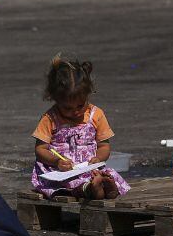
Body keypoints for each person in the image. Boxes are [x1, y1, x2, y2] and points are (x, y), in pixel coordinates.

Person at [31, 54, 131, 200]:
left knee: (106, 174)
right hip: (61, 171)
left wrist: (98, 158)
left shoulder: (96, 115)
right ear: (55, 99)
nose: (75, 112)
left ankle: (107, 186)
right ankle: (90, 189)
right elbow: (40, 149)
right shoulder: (50, 118)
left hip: (89, 168)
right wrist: (56, 162)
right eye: (67, 108)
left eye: (80, 105)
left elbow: (104, 146)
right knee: (69, 183)